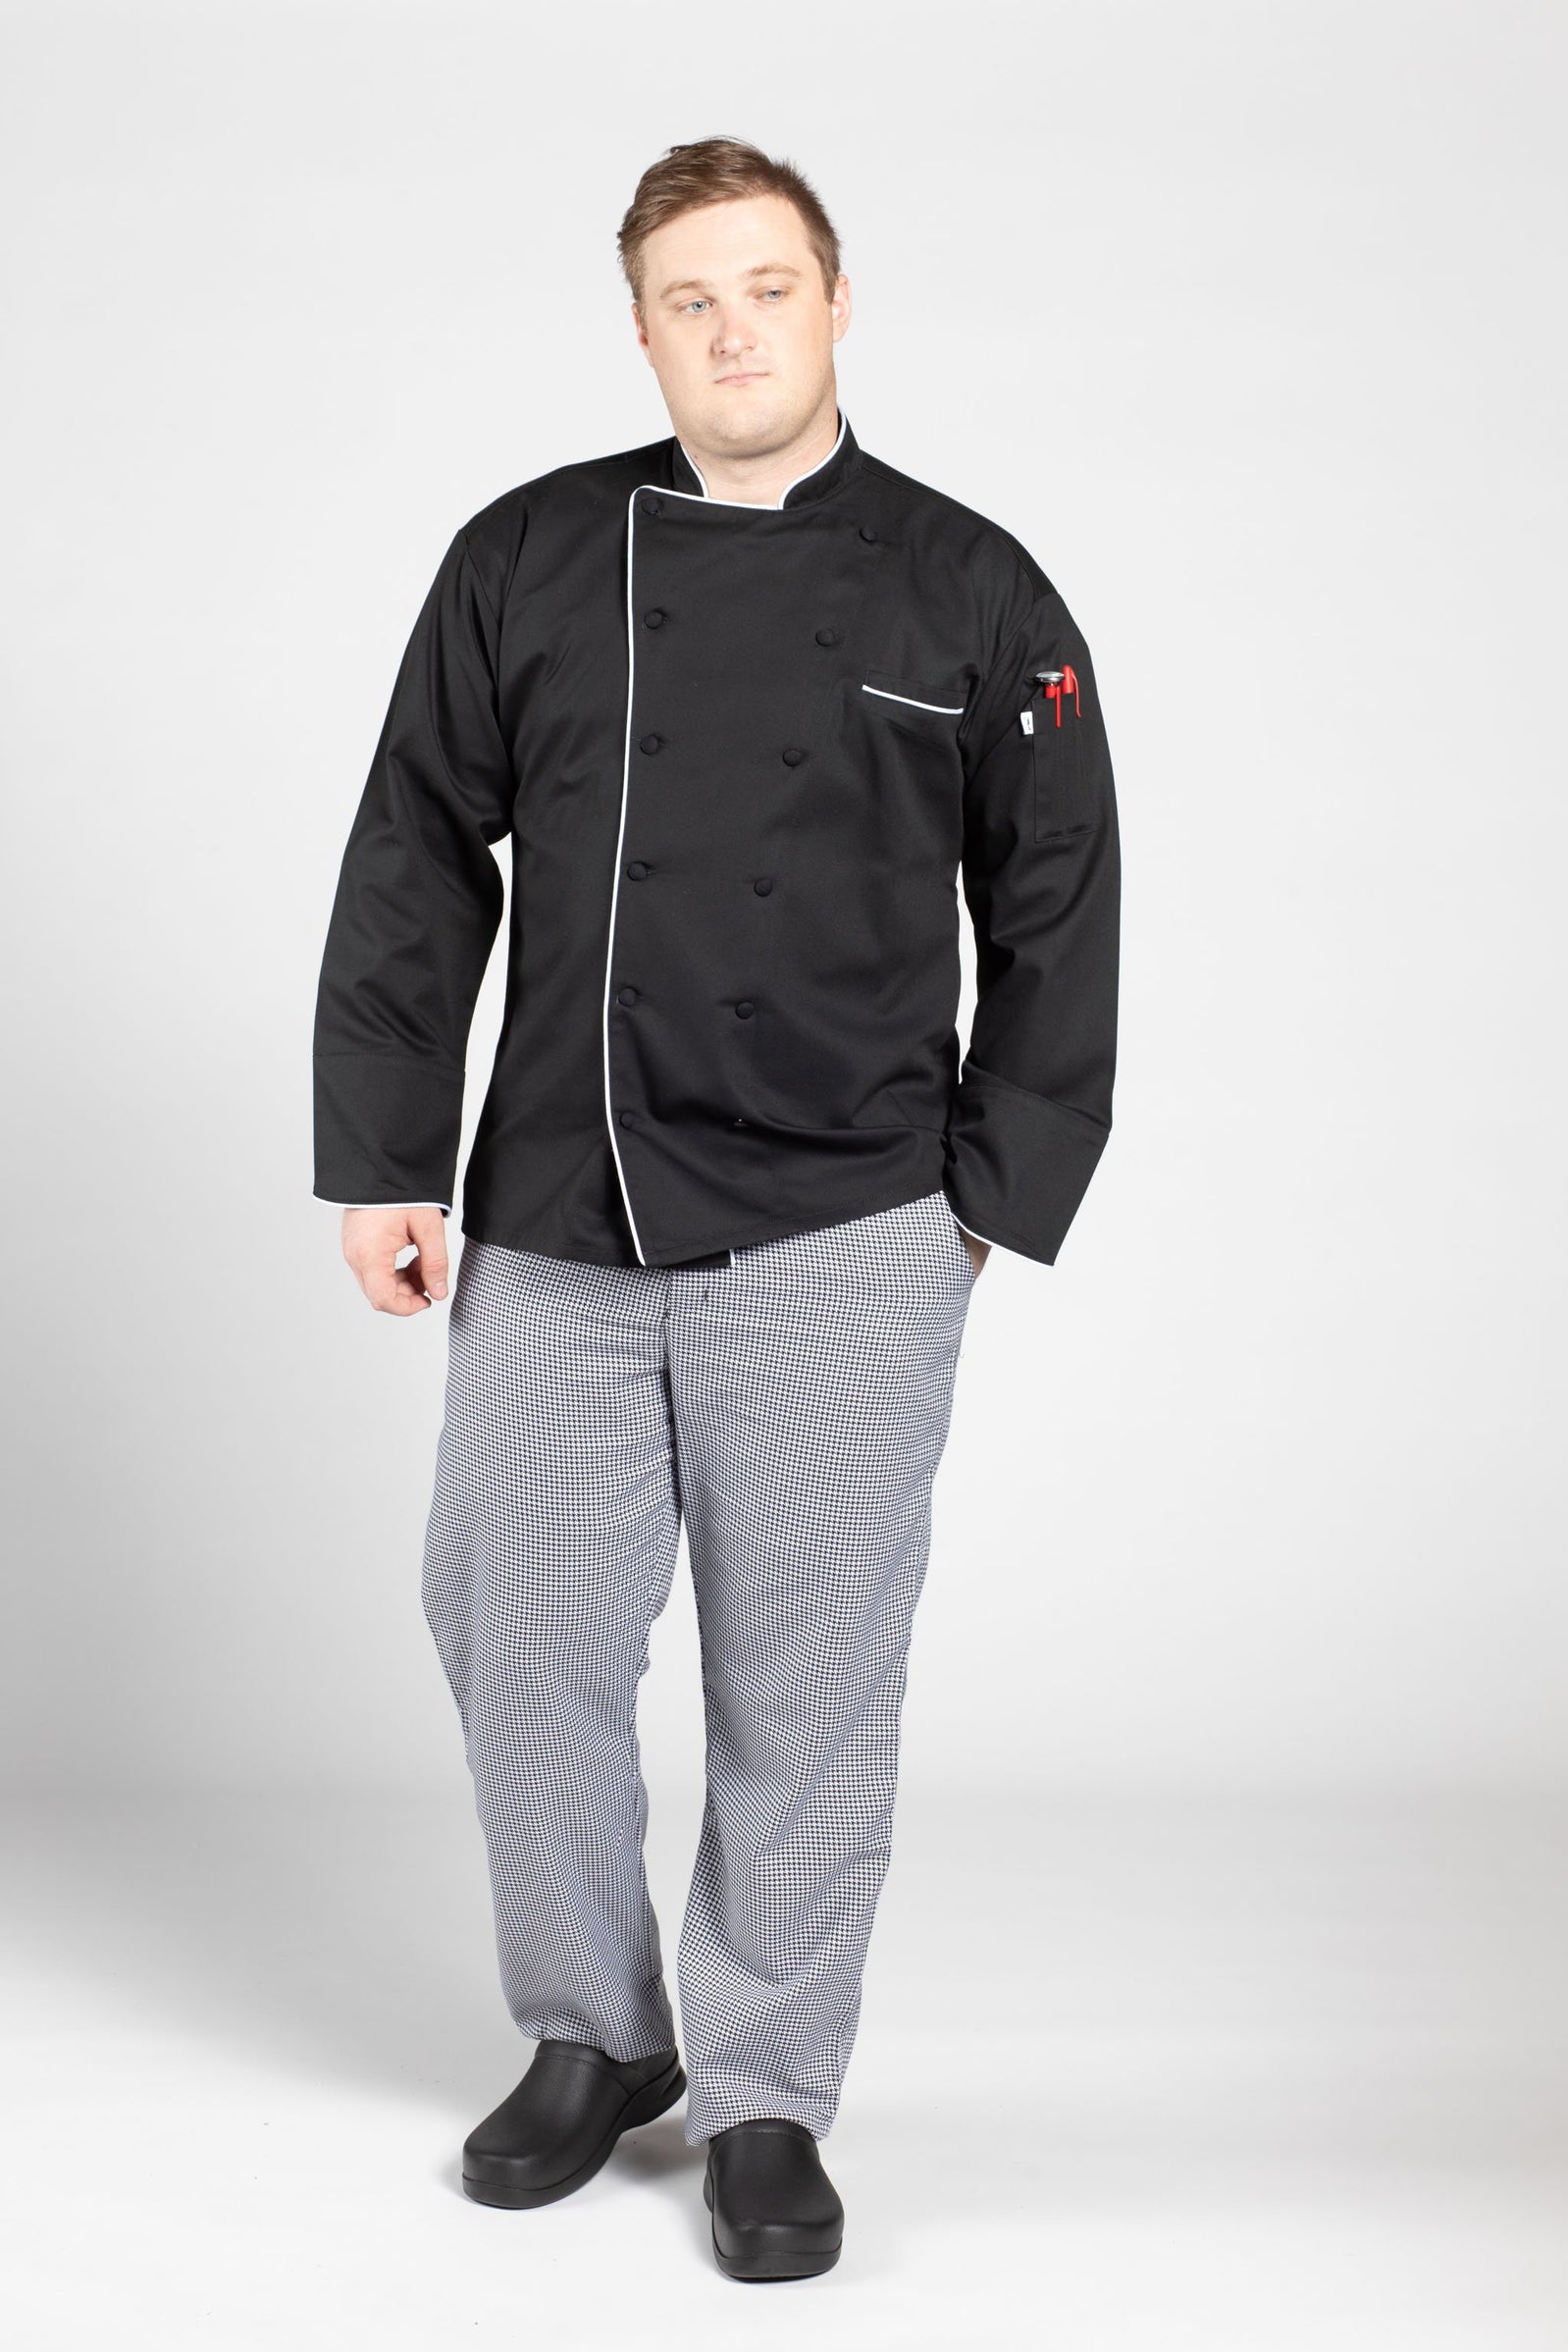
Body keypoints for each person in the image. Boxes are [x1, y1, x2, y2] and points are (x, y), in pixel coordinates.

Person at [312, 132, 1120, 2283]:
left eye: (767, 286)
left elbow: (1057, 891)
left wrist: (984, 1202)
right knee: (517, 1636)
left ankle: (769, 2091)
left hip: (848, 1219)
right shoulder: (524, 555)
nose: (732, 328)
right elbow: (414, 852)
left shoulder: (969, 583)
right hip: (558, 1207)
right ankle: (596, 2032)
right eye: (690, 298)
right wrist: (386, 1155)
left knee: (810, 1680)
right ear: (642, 329)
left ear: (837, 303)